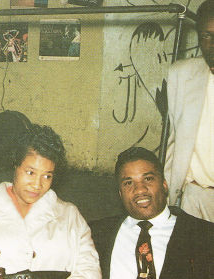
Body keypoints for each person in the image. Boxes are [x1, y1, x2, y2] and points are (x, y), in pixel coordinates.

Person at [0, 124, 101, 278]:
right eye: (30, 172)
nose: (37, 184)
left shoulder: (69, 216)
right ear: (15, 165)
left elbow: (89, 270)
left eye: (47, 176)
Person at [90, 147, 214, 279]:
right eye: (128, 183)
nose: (139, 190)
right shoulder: (95, 233)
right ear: (120, 194)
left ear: (164, 185)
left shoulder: (205, 235)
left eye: (148, 179)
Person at [164, 0, 214, 222]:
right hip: (194, 197)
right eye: (206, 35)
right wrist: (167, 199)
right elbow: (173, 143)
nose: (213, 44)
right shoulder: (181, 74)